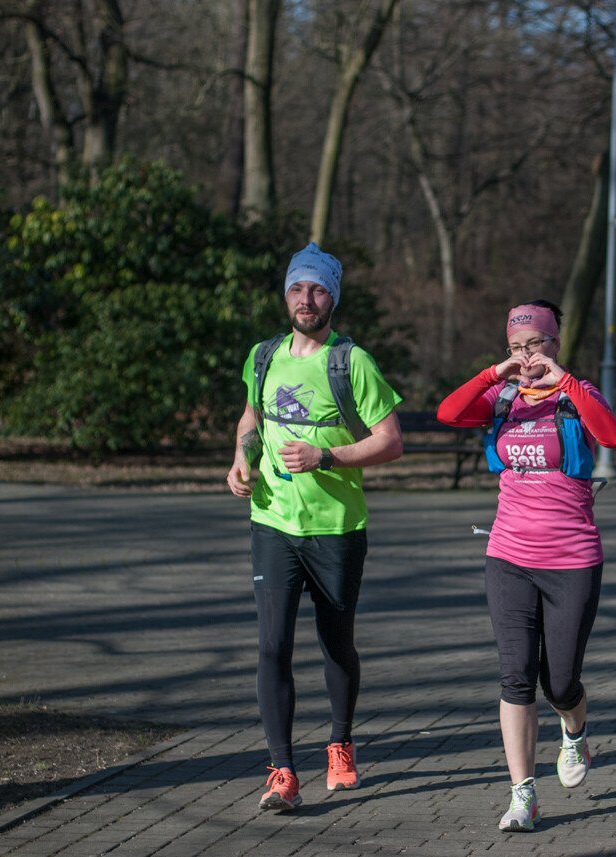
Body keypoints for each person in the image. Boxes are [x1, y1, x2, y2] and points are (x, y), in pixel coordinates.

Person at [226, 242, 404, 812]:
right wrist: (240, 458)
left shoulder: (352, 363)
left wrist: (326, 458)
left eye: (318, 289)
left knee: (335, 643)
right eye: (297, 289)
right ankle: (281, 770)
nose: (306, 299)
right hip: (272, 522)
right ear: (286, 295)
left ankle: (340, 743)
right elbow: (253, 414)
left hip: (336, 528)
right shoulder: (262, 356)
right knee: (272, 646)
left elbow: (391, 441)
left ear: (333, 298)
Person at [436, 301, 616, 833]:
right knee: (514, 677)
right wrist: (494, 373)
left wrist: (565, 381)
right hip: (508, 556)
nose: (525, 355)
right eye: (516, 346)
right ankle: (523, 796)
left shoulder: (579, 394)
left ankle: (574, 730)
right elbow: (449, 413)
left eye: (534, 344)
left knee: (559, 683)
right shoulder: (502, 398)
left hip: (572, 558)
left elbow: (612, 437)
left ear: (554, 343)